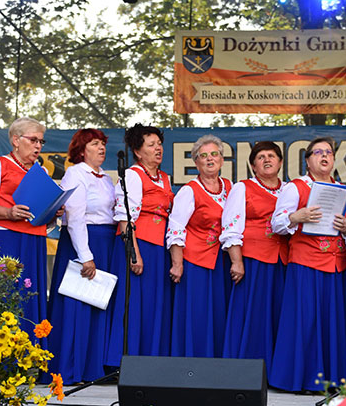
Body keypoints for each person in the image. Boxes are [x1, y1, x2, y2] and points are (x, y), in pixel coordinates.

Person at [269, 136, 346, 391]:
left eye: (329, 152)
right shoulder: (296, 187)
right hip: (305, 263)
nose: (324, 156)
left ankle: (332, 379)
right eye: (318, 152)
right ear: (307, 160)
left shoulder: (343, 189)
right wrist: (297, 216)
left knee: (332, 322)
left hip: (336, 263)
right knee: (305, 321)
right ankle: (299, 379)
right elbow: (276, 223)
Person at [45, 129, 115, 384]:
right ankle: (70, 368)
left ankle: (92, 369)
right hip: (83, 243)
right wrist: (85, 255)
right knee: (77, 306)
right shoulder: (76, 173)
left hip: (105, 244)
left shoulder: (105, 178)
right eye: (95, 144)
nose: (101, 148)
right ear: (82, 149)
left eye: (102, 144)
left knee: (97, 305)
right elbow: (73, 218)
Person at [105, 124, 175, 367]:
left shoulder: (165, 178)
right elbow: (125, 217)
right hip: (138, 245)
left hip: (159, 248)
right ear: (137, 151)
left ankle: (150, 360)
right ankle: (126, 361)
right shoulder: (133, 175)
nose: (158, 149)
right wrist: (133, 253)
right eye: (151, 145)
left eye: (159, 144)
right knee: (134, 303)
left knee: (155, 305)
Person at [220, 141, 289, 375]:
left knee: (279, 316)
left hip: (283, 261)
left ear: (280, 163)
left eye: (272, 156)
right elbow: (231, 225)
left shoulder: (289, 189)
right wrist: (236, 261)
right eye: (261, 157)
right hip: (254, 260)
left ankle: (275, 371)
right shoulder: (243, 188)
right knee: (254, 316)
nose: (267, 160)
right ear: (253, 165)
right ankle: (246, 373)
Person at [0, 117, 48, 335]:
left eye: (41, 142)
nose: (38, 146)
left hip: (35, 239)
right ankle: (1, 356)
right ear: (16, 140)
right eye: (34, 140)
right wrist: (8, 213)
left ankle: (30, 356)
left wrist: (53, 210)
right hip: (7, 238)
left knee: (31, 297)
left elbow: (40, 211)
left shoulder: (42, 171)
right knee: (6, 295)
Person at [167, 135, 232, 357]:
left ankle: (217, 364)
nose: (210, 159)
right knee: (198, 314)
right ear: (196, 163)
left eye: (214, 154)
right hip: (195, 262)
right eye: (203, 156)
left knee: (219, 313)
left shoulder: (231, 188)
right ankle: (193, 363)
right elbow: (175, 228)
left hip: (222, 262)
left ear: (222, 160)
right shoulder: (189, 191)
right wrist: (177, 264)